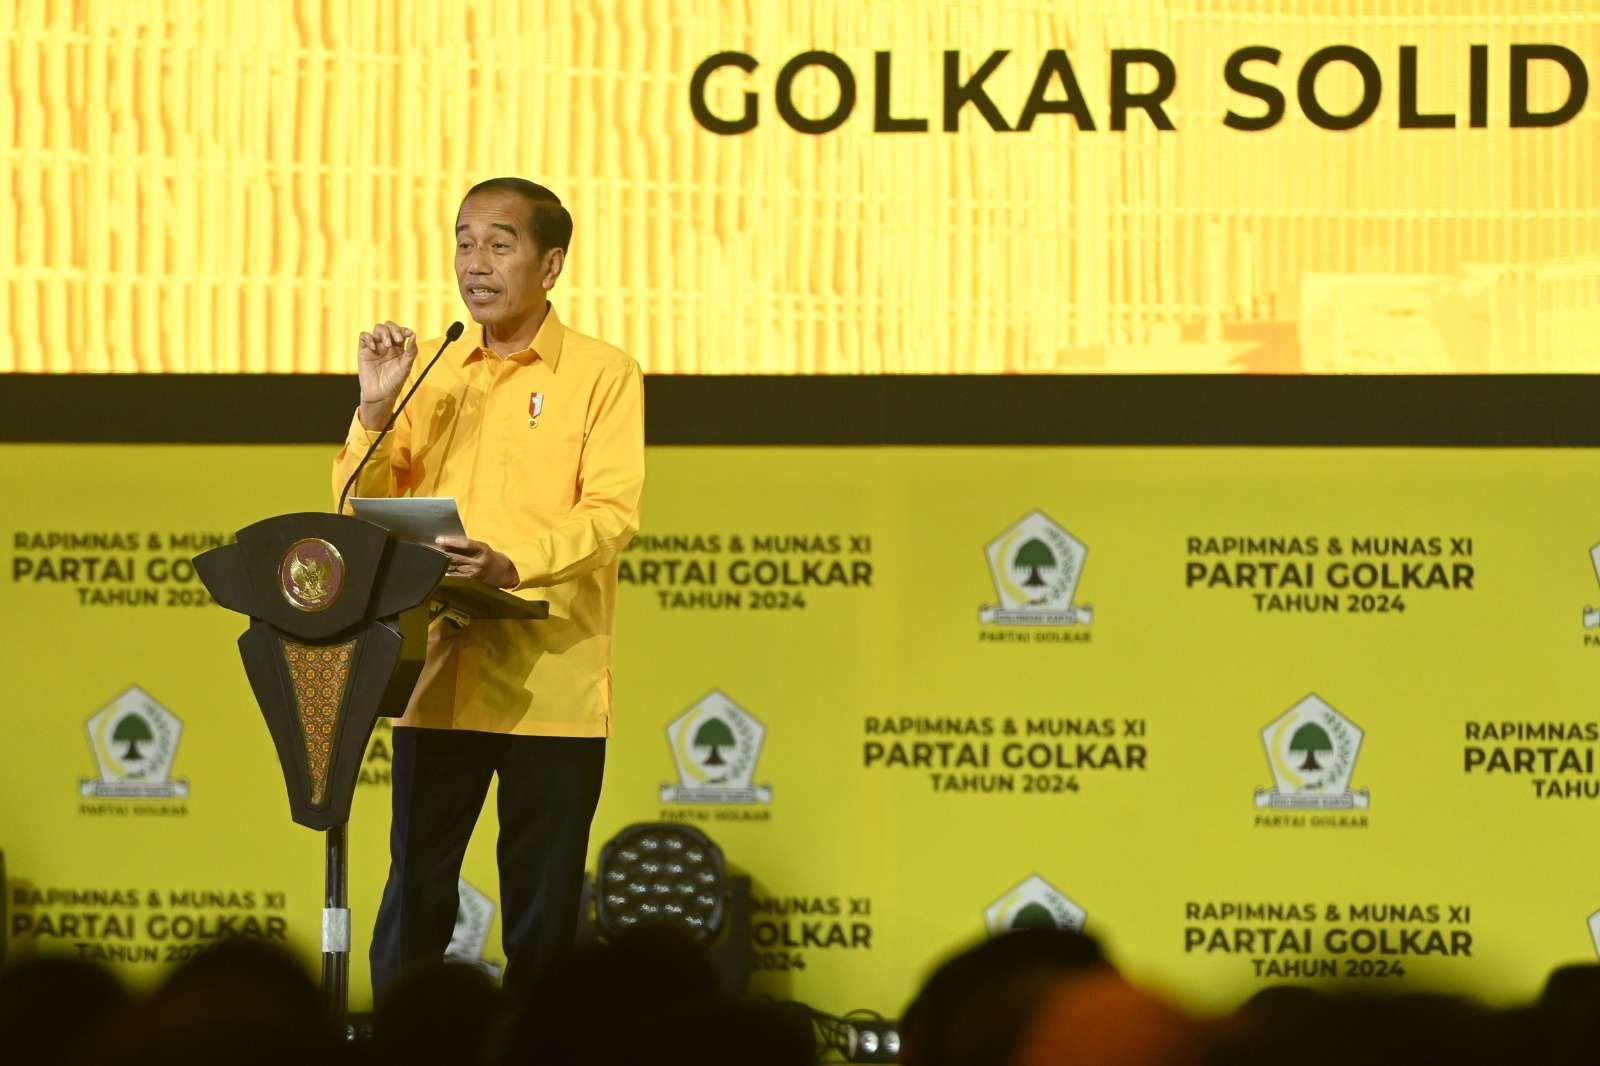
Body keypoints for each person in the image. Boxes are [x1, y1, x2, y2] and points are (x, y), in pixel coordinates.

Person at [331, 177, 645, 997]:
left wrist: (515, 564)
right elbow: (354, 507)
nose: (475, 263)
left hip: (552, 680)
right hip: (438, 675)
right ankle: (404, 1043)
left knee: (542, 914)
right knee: (416, 896)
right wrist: (374, 410)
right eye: (464, 242)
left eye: (499, 245)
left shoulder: (604, 374)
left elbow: (611, 513)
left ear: (551, 264)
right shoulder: (434, 372)